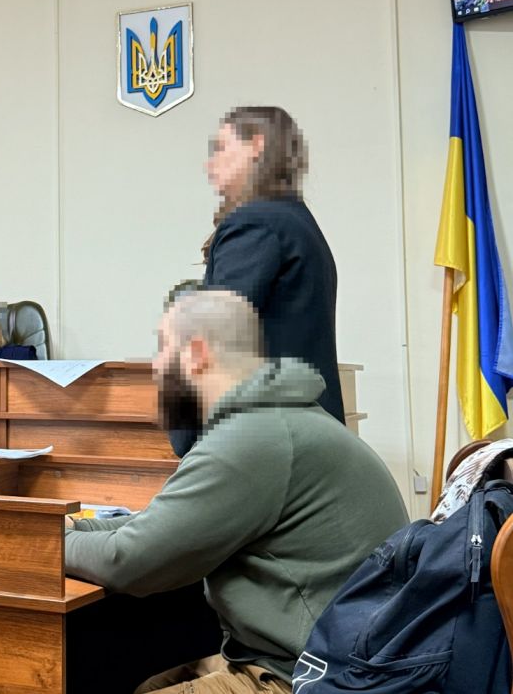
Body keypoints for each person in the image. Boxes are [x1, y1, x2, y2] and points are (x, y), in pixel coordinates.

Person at [65, 288, 407, 694]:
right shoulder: (274, 419)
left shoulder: (253, 438)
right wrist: (67, 528)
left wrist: (36, 546)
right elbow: (160, 524)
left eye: (163, 348)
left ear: (196, 353)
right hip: (329, 655)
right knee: (134, 676)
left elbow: (128, 560)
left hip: (313, 676)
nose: (156, 366)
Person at [176, 106, 342, 461]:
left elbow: (215, 337)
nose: (209, 164)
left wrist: (185, 434)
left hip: (262, 439)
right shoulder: (293, 220)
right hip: (299, 433)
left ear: (256, 145)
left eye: (221, 147)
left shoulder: (257, 222)